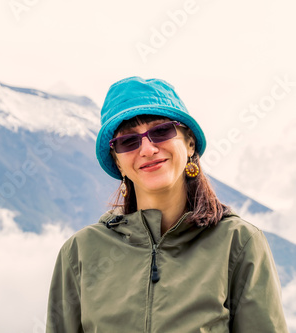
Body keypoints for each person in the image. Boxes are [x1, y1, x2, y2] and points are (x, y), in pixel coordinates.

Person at [46, 77, 288, 332]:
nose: (148, 149)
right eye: (128, 141)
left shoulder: (237, 242)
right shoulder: (80, 252)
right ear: (118, 162)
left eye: (161, 131)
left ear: (189, 142)